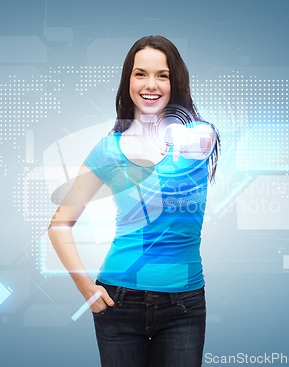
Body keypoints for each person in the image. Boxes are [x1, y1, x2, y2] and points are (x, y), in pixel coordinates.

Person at [48, 35, 220, 367]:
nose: (150, 84)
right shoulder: (108, 149)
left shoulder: (200, 135)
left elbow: (177, 151)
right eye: (140, 74)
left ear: (176, 82)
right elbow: (59, 225)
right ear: (128, 80)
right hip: (117, 301)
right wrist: (86, 290)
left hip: (183, 305)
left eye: (162, 75)